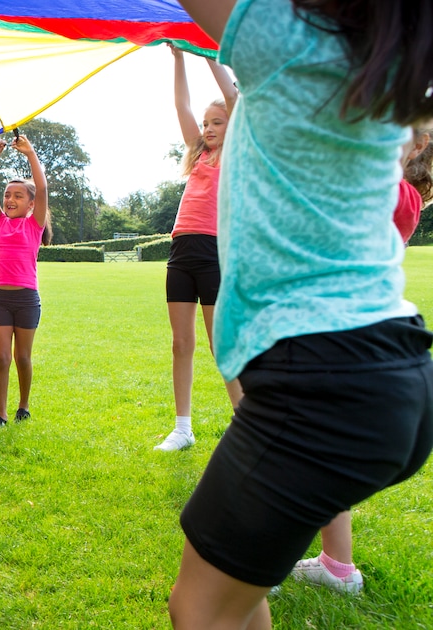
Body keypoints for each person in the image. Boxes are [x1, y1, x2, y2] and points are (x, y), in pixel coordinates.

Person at [167, 1, 433, 628]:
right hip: (392, 369)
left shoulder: (290, 37)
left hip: (322, 380)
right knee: (238, 589)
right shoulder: (380, 56)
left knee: (200, 609)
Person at [284, 123, 433, 596]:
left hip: (338, 335)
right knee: (320, 449)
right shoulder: (402, 194)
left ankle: (261, 561)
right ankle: (337, 566)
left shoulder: (395, 193)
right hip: (341, 331)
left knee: (300, 447)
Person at [156, 44, 243, 452]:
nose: (208, 128)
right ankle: (183, 428)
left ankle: (246, 422)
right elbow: (180, 104)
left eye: (217, 123)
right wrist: (178, 58)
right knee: (181, 343)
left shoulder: (238, 154)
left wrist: (209, 54)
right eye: (206, 123)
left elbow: (234, 99)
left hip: (214, 252)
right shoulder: (197, 156)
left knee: (218, 342)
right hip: (181, 252)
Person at [0, 133, 50, 428]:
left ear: (32, 204)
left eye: (18, 196)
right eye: (8, 195)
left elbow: (43, 186)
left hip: (26, 301)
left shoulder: (34, 226)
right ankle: (1, 414)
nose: (10, 199)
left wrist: (30, 153)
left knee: (22, 357)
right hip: (1, 300)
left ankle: (23, 406)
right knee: (1, 358)